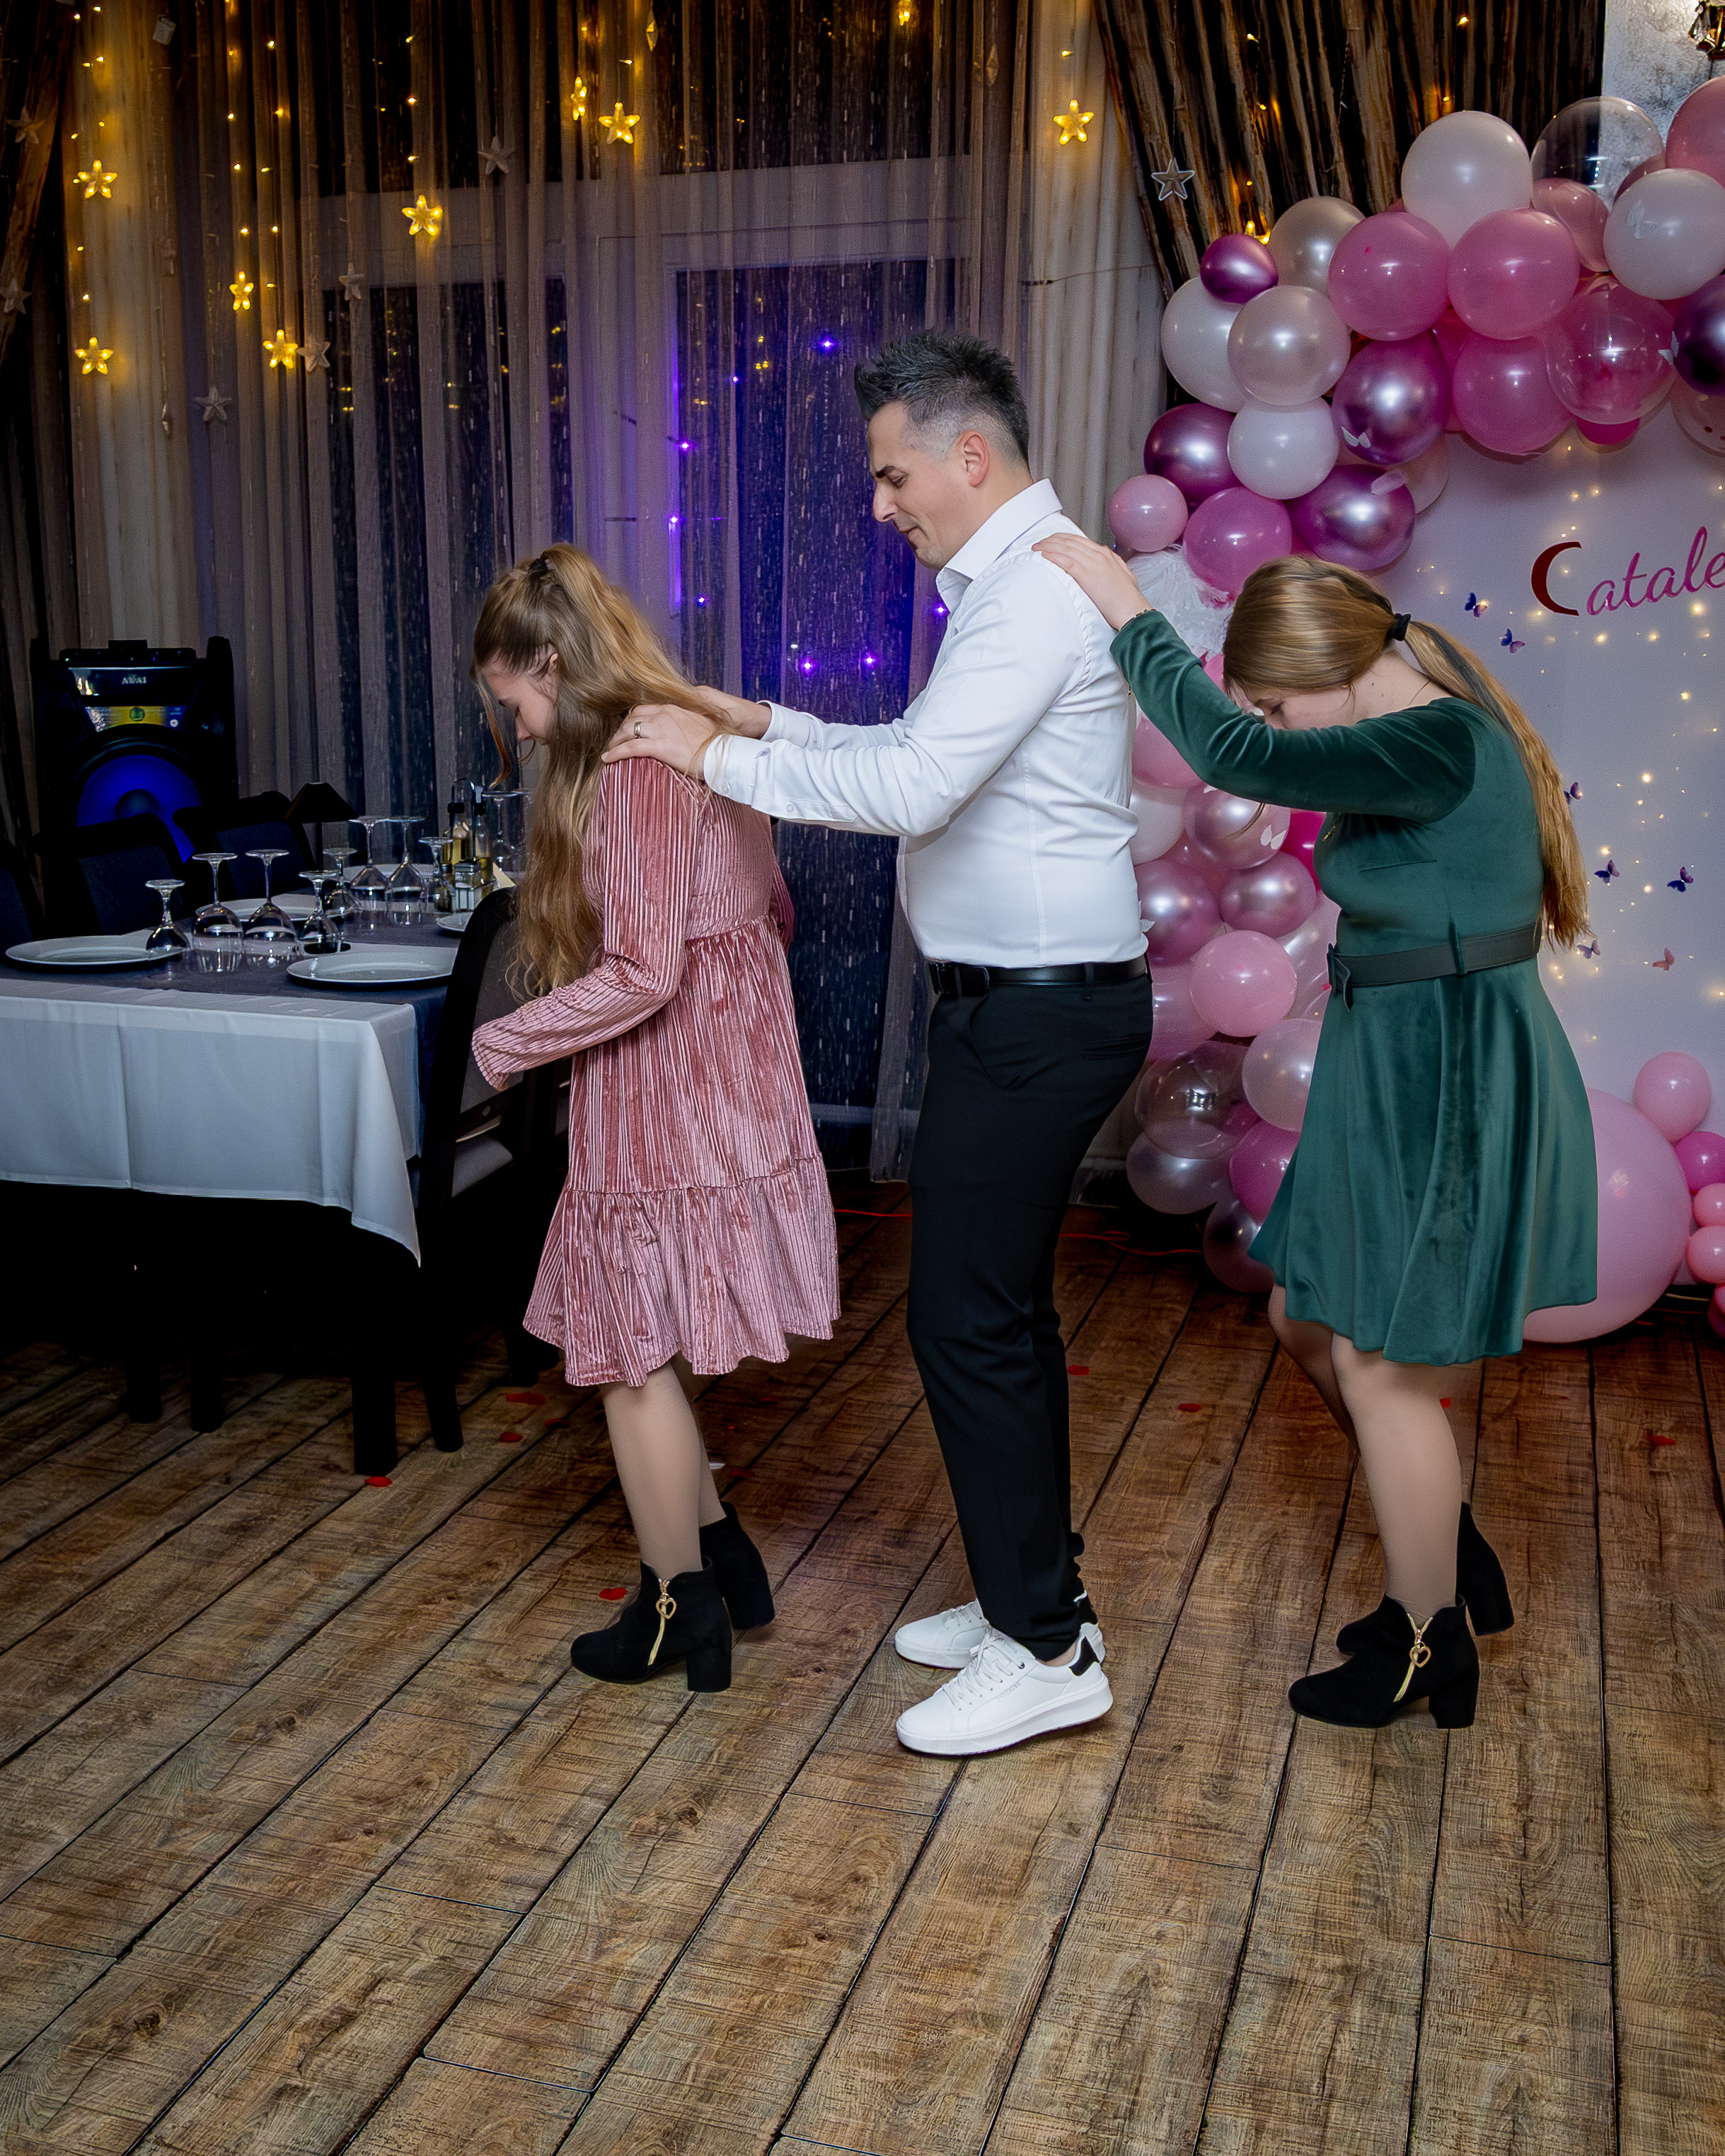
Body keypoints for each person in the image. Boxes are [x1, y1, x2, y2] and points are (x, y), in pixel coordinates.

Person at [605, 329, 1153, 1758]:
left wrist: (712, 757)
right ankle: (1038, 1599)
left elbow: (911, 787)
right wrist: (758, 721)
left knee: (963, 1323)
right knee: (999, 1318)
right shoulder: (1017, 586)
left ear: (969, 456)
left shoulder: (1031, 594)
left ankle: (1045, 1648)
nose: (880, 503)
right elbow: (911, 749)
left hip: (1036, 1014)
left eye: (893, 474)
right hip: (1022, 1008)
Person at [1034, 536, 1597, 1731]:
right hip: (1390, 1051)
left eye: (1276, 703)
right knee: (1303, 1315)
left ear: (1329, 670)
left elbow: (1231, 754)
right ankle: (1441, 1544)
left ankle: (1423, 1640)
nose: (1271, 727)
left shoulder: (1434, 738)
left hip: (1444, 1064)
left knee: (1379, 1365)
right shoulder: (1405, 733)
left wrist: (1131, 612)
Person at [467, 544, 841, 1694]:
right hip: (737, 1080)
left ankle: (677, 1606)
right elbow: (771, 909)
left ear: (551, 663)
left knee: (628, 1354)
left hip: (666, 1088)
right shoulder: (696, 732)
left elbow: (640, 973)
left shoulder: (631, 772)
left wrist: (501, 1046)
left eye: (515, 702)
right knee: (651, 1339)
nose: (519, 729)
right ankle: (720, 1555)